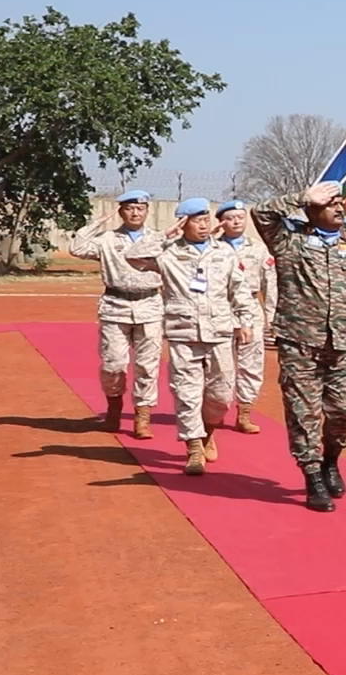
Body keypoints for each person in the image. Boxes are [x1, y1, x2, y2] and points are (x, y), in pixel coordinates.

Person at [252, 183, 346, 513]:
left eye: (340, 204)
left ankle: (330, 459)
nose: (338, 208)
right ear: (312, 210)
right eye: (330, 204)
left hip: (343, 346)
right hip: (300, 344)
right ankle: (312, 476)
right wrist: (303, 197)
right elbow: (261, 213)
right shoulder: (290, 243)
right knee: (303, 414)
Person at [123, 198, 256, 476]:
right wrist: (165, 235)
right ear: (183, 223)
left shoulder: (224, 253)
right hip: (183, 333)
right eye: (197, 220)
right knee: (187, 393)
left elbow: (239, 289)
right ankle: (194, 446)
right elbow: (133, 257)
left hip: (220, 332)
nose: (204, 225)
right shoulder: (168, 253)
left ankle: (208, 432)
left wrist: (245, 320)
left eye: (206, 219)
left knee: (220, 396)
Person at [71, 189, 163, 439]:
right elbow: (77, 247)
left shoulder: (158, 239)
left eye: (140, 208)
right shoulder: (107, 239)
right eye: (129, 208)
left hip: (149, 306)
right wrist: (99, 221)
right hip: (115, 305)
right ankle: (114, 406)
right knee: (114, 364)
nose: (135, 213)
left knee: (147, 366)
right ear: (121, 211)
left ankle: (142, 417)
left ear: (147, 211)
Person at [214, 200, 276, 434]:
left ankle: (245, 413)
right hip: (221, 308)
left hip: (250, 308)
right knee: (220, 364)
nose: (237, 221)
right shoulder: (213, 248)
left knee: (251, 364)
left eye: (241, 216)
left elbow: (271, 283)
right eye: (231, 217)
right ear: (221, 222)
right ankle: (217, 409)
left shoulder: (259, 248)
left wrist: (271, 316)